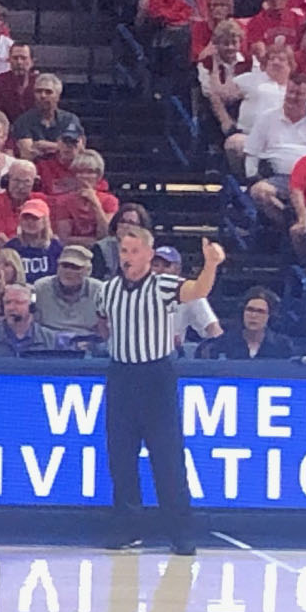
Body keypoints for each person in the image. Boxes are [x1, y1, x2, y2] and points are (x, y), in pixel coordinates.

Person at [98, 230, 226, 555]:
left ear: (148, 254)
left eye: (134, 250)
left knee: (167, 458)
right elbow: (102, 321)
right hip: (121, 375)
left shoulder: (162, 285)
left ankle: (181, 531)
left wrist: (210, 264)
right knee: (121, 457)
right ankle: (127, 528)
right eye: (123, 250)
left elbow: (197, 290)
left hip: (156, 376)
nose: (127, 256)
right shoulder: (109, 289)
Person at [202, 286, 295, 358]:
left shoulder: (282, 345)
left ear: (270, 316)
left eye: (260, 312)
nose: (253, 316)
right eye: (250, 310)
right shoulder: (222, 343)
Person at [0, 284, 61, 355]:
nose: (11, 308)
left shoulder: (51, 340)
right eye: (7, 302)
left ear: (32, 307)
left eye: (19, 302)